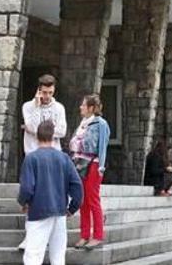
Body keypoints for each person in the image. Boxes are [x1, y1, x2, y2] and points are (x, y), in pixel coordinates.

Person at [18, 120, 83, 265]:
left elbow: (27, 188)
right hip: (60, 213)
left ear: (37, 136)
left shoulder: (31, 158)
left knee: (33, 256)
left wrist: (23, 202)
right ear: (53, 137)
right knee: (58, 257)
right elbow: (77, 187)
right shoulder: (64, 158)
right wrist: (72, 209)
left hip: (38, 212)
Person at [69, 94, 110, 249]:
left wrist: (101, 165)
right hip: (79, 164)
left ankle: (98, 235)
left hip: (93, 164)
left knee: (93, 199)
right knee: (83, 200)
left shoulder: (101, 124)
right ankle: (84, 235)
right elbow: (73, 142)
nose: (81, 107)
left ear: (91, 108)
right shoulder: (82, 124)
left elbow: (101, 146)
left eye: (83, 105)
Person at [22, 74, 67, 157]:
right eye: (45, 92)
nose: (48, 96)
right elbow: (32, 127)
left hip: (54, 154)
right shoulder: (27, 106)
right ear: (38, 91)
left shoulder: (59, 107)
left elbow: (62, 131)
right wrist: (36, 107)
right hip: (33, 154)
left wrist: (39, 132)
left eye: (51, 92)